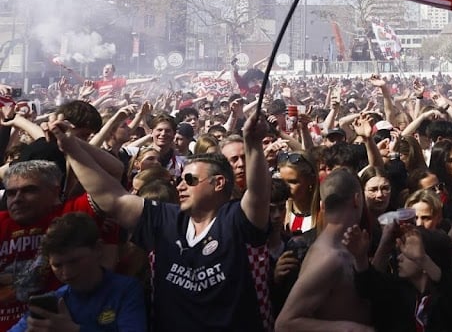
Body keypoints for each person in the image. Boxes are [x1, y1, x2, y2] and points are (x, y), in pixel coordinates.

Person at [51, 110, 272, 332]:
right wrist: (71, 148)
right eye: (180, 179)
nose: (180, 186)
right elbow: (113, 198)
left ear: (218, 183)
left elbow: (259, 195)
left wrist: (253, 145)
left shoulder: (237, 220)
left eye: (190, 179)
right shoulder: (165, 219)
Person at [0, 161, 119, 331]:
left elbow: (113, 170)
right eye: (11, 193)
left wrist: (68, 144)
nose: (17, 199)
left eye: (29, 190)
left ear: (54, 191)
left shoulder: (72, 215)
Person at [10, 212, 146, 332]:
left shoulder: (125, 290)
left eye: (74, 261)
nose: (66, 273)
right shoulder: (54, 301)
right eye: (57, 265)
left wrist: (73, 329)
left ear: (98, 249)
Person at [276, 169, 373, 331]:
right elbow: (284, 323)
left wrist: (384, 246)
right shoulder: (329, 257)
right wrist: (352, 329)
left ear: (322, 205)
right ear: (357, 199)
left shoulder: (345, 245)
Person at [345, 225, 452, 332]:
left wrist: (423, 260)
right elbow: (368, 285)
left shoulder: (446, 298)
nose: (399, 257)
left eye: (408, 253)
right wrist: (360, 258)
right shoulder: (397, 291)